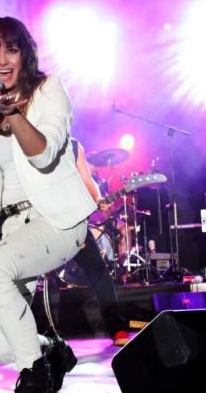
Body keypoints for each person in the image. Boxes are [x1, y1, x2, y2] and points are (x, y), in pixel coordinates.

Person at [0, 17, 97, 392]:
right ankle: (51, 349)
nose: (3, 60)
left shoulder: (49, 89)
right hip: (13, 229)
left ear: (25, 55)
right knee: (2, 349)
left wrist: (12, 114)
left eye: (12, 49)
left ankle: (35, 377)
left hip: (57, 220)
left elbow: (44, 155)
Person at [71, 138, 129, 346]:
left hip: (73, 223)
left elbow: (87, 179)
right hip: (42, 222)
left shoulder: (73, 145)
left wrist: (97, 198)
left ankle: (117, 328)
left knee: (98, 272)